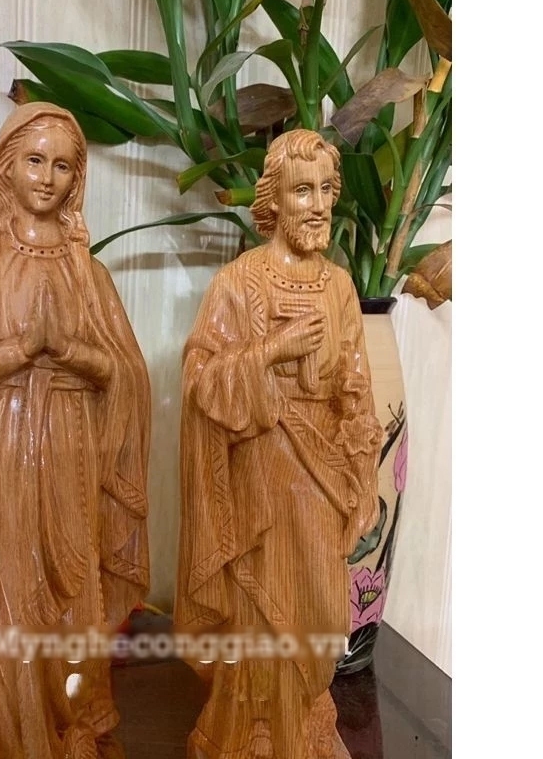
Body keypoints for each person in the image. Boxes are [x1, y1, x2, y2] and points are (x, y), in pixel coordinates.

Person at [0, 102, 150, 759]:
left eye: (63, 165)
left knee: (71, 588)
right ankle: (8, 728)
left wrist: (69, 352)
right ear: (6, 168)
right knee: (10, 592)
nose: (47, 177)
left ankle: (69, 722)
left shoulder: (89, 276)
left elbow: (127, 375)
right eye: (35, 160)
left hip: (72, 452)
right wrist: (12, 354)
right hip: (0, 453)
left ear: (77, 179)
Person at [175, 130, 382, 759]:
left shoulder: (340, 288)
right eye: (302, 191)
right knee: (259, 615)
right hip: (259, 480)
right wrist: (271, 350)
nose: (317, 206)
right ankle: (253, 732)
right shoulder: (238, 284)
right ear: (274, 201)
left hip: (321, 484)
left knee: (319, 611)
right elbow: (201, 378)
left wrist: (362, 474)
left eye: (325, 191)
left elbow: (357, 389)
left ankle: (307, 724)